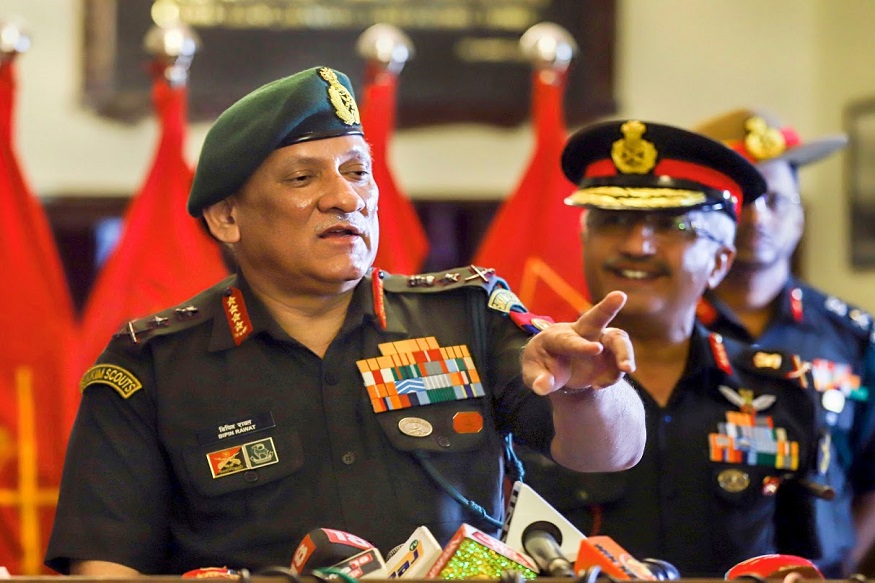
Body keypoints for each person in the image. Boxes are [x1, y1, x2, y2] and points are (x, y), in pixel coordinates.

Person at [43, 66, 646, 576]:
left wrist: (588, 391)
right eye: (304, 178)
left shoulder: (468, 314)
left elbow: (608, 455)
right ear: (228, 218)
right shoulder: (153, 363)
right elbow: (106, 562)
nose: (346, 197)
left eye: (357, 172)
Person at [518, 119, 823, 577]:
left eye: (671, 224)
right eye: (612, 220)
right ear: (582, 239)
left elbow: (804, 560)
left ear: (721, 261)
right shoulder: (529, 378)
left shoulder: (781, 388)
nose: (636, 245)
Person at [693, 108, 875, 577]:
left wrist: (842, 561)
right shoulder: (665, 330)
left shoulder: (852, 337)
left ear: (799, 215)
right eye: (741, 200)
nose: (758, 217)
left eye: (776, 199)